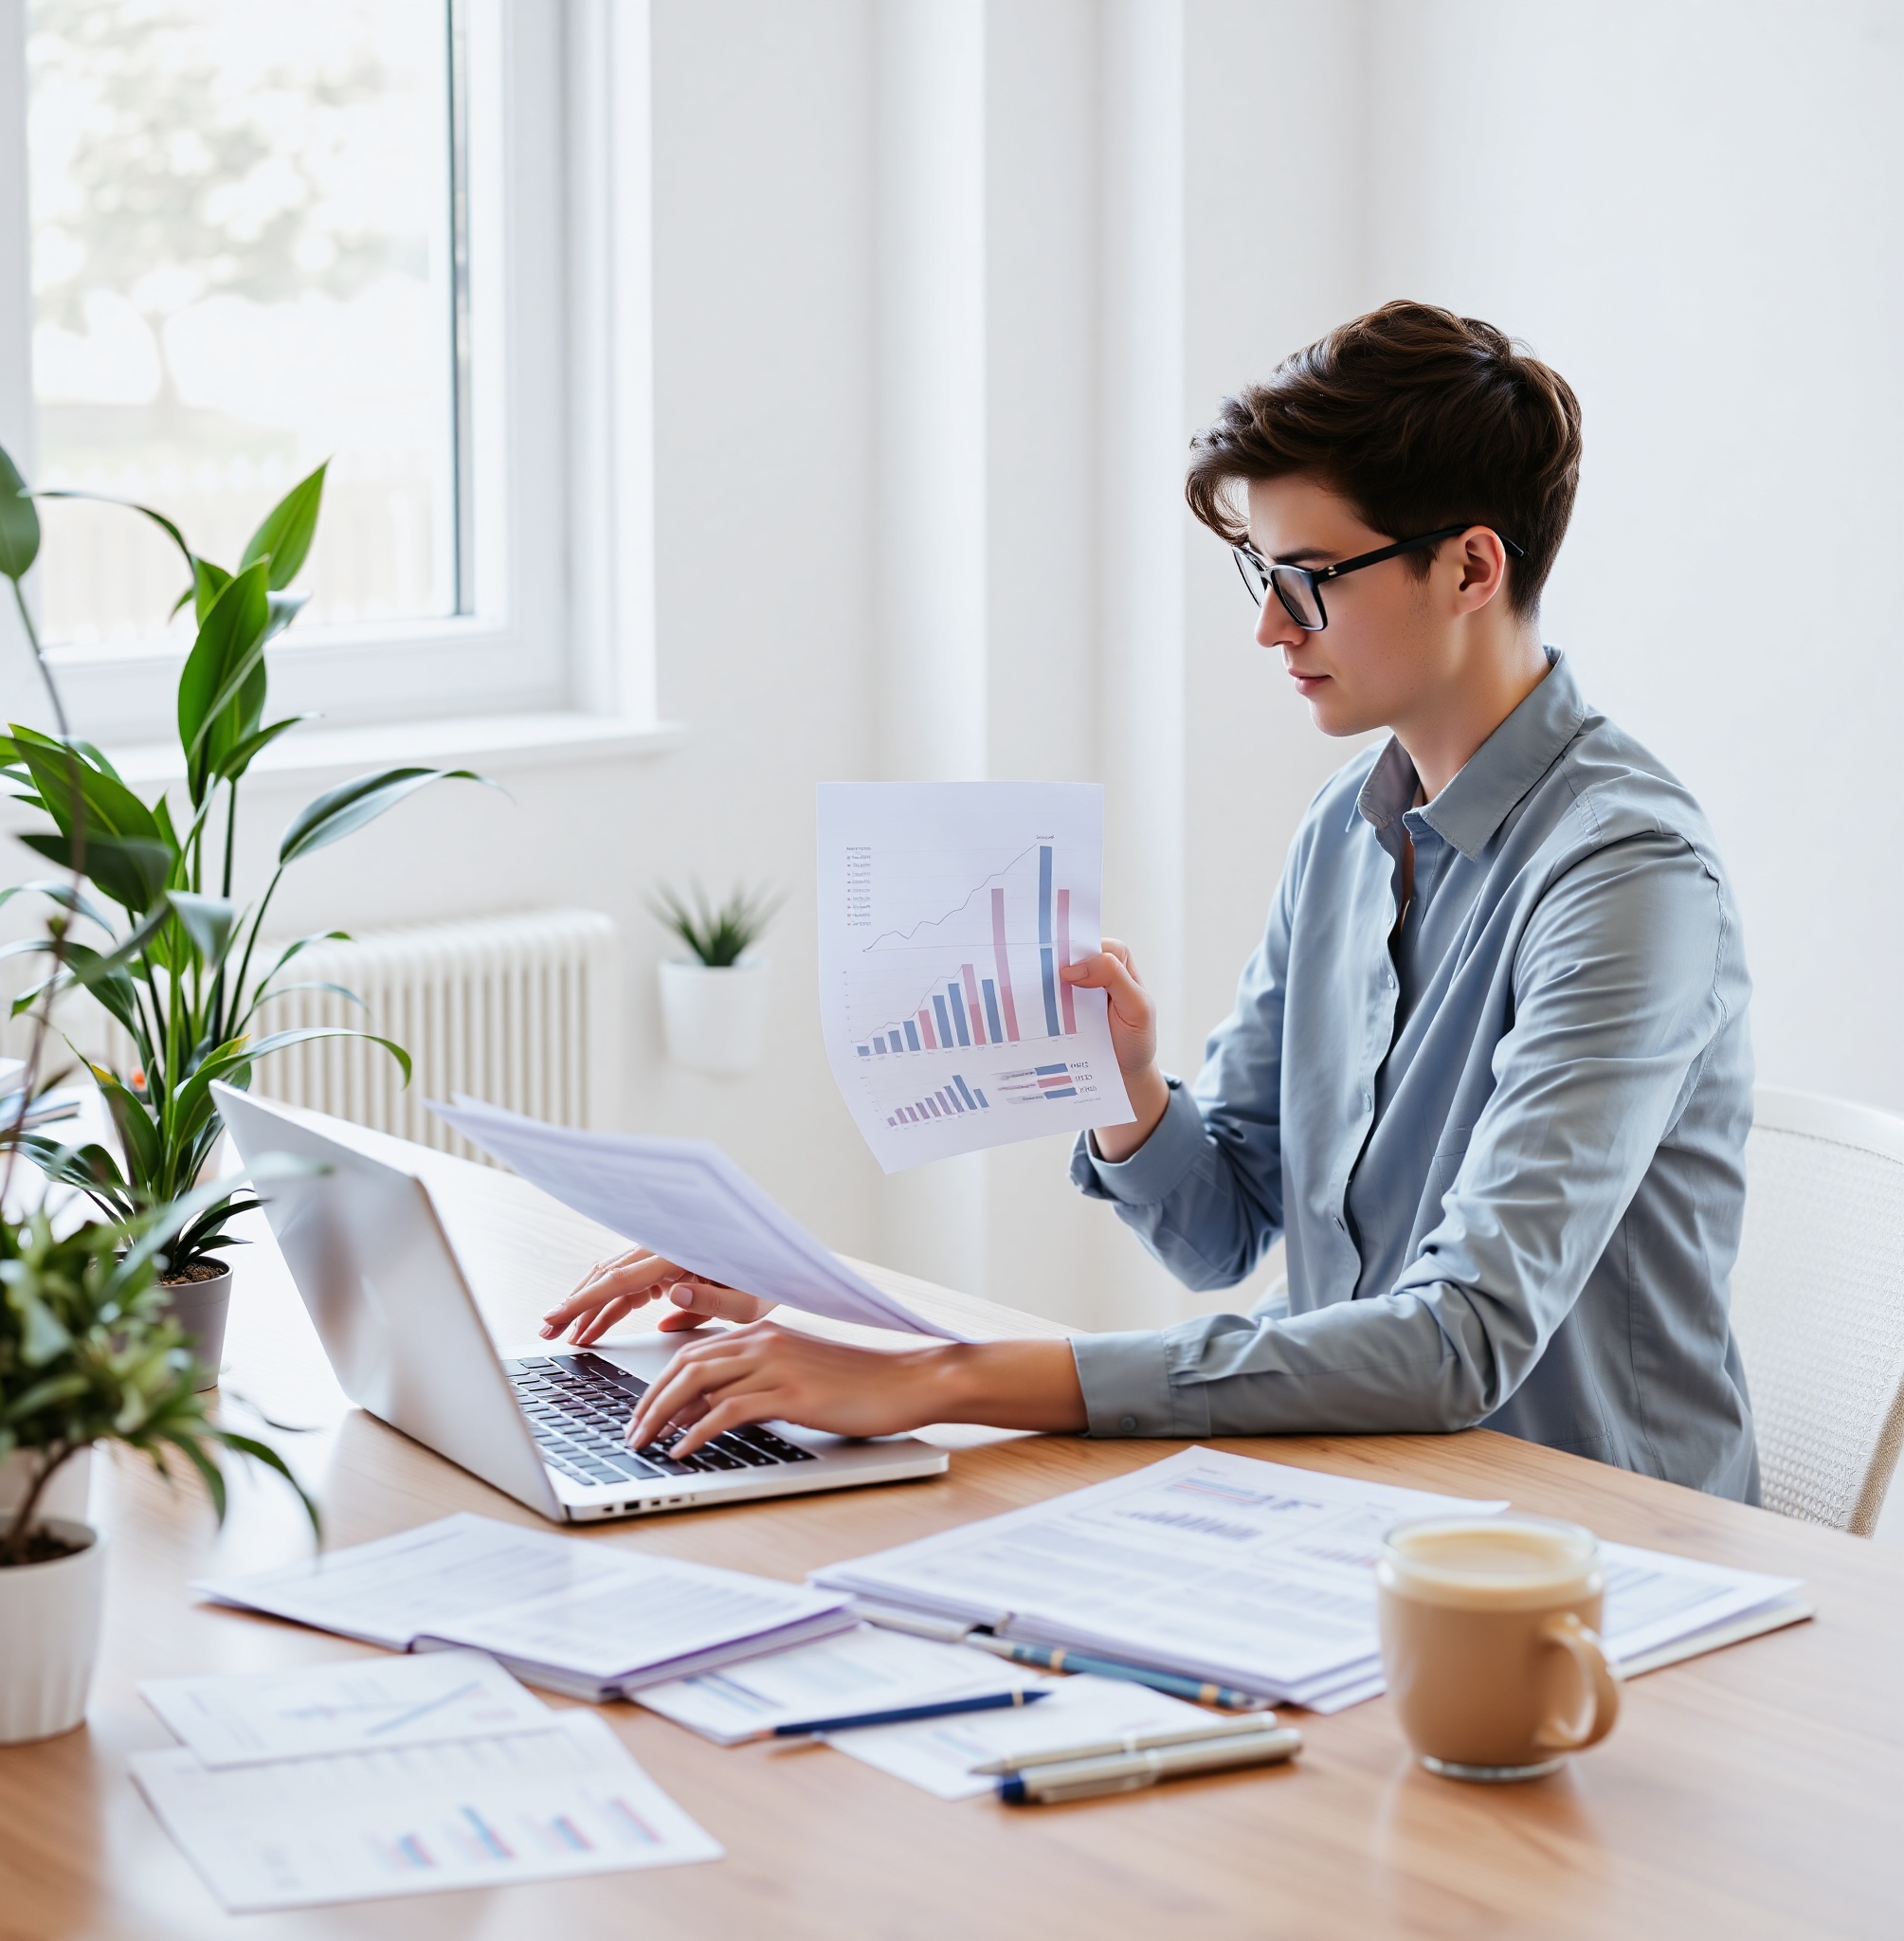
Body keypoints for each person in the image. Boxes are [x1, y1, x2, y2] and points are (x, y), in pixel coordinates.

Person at [543, 300, 1760, 1502]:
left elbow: (1457, 1343)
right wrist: (1122, 1089)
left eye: (1307, 577)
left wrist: (938, 1376)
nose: (1268, 626)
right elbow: (1219, 1233)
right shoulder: (1347, 826)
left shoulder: (1626, 877)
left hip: (1595, 1553)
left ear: (1469, 566)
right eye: (1259, 573)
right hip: (1376, 1495)